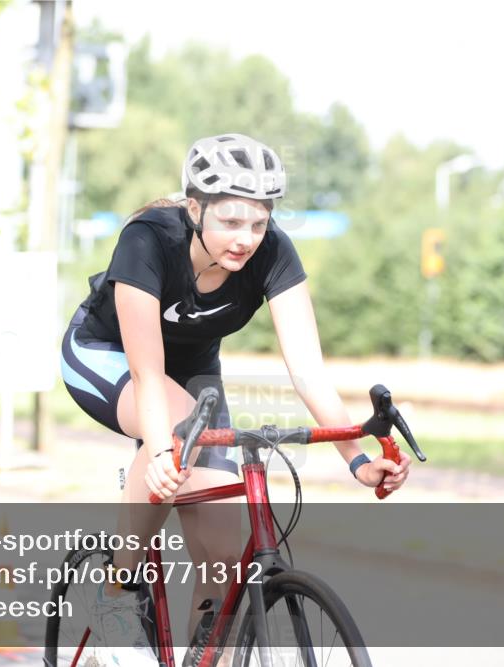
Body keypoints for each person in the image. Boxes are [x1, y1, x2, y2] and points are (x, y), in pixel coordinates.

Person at [60, 133, 411, 665]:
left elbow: (309, 372)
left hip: (194, 376)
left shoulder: (275, 252)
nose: (246, 238)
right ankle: (116, 598)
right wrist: (157, 453)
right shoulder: (148, 239)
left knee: (225, 547)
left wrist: (357, 459)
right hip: (109, 355)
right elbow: (148, 372)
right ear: (195, 208)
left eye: (258, 222)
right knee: (174, 426)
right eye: (229, 221)